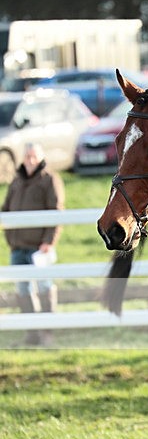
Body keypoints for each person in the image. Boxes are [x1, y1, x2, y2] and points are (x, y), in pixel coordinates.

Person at [1, 142, 64, 346]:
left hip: (39, 247)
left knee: (44, 286)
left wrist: (49, 241)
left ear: (40, 157)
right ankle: (32, 333)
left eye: (34, 156)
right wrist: (9, 235)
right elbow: (6, 208)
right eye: (27, 156)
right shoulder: (16, 181)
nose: (30, 160)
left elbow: (56, 212)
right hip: (17, 246)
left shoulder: (49, 179)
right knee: (22, 289)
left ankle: (47, 333)